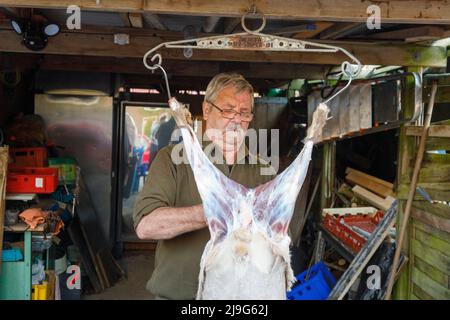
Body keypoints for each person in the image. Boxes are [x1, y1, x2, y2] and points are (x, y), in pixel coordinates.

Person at [133, 73, 278, 300]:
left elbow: (273, 238)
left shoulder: (264, 170)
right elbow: (146, 226)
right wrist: (213, 211)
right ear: (207, 109)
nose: (237, 120)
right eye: (228, 110)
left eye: (244, 112)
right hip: (179, 296)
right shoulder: (172, 159)